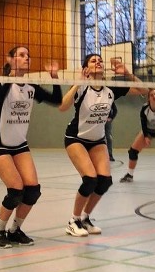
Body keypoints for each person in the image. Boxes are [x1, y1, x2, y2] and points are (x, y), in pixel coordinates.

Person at [61, 54, 147, 237]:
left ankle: (85, 218)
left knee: (105, 181)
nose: (98, 62)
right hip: (76, 138)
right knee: (90, 179)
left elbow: (144, 90)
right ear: (86, 68)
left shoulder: (111, 89)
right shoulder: (82, 87)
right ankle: (73, 221)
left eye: (100, 60)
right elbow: (63, 106)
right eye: (93, 61)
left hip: (97, 140)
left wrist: (127, 73)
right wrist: (77, 82)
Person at [0, 46, 62, 248]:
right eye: (21, 55)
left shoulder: (31, 86)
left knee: (33, 190)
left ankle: (14, 230)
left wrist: (54, 77)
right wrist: (10, 74)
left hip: (19, 144)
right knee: (16, 190)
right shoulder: (1, 83)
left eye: (28, 55)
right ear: (11, 59)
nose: (27, 58)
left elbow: (57, 100)